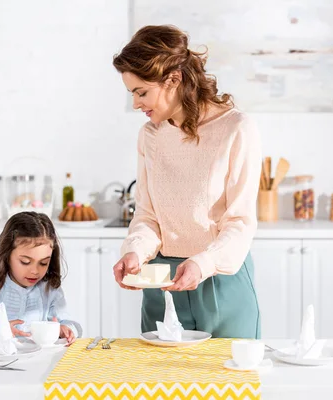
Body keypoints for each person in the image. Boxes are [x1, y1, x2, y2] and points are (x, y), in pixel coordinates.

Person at [112, 25, 262, 338]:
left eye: (142, 92)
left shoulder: (236, 129)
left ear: (174, 79)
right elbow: (148, 216)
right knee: (158, 386)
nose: (136, 103)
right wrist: (135, 252)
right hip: (161, 284)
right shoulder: (150, 136)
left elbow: (240, 222)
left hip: (220, 281)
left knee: (228, 383)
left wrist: (202, 263)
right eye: (132, 94)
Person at [0, 212, 81, 344]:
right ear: (6, 255)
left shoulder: (50, 291)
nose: (35, 271)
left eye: (43, 263)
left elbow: (69, 323)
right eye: (25, 262)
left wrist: (66, 329)